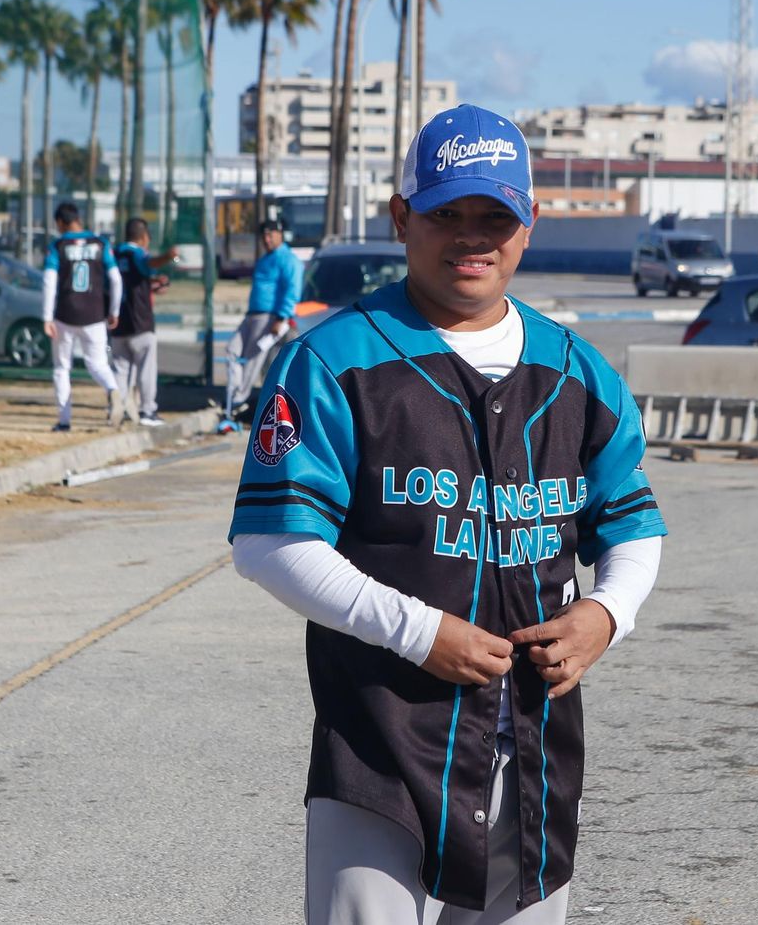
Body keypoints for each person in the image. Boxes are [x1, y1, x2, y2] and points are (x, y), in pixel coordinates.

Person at [229, 104, 667, 924]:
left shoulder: (575, 370)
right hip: (381, 746)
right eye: (446, 213)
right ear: (403, 217)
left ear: (528, 223)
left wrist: (607, 613)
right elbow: (268, 542)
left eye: (494, 215)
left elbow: (633, 524)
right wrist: (417, 630)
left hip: (533, 750)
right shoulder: (332, 358)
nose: (472, 237)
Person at [42, 202, 123, 431]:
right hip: (95, 314)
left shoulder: (58, 246)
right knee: (97, 363)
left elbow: (49, 281)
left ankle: (64, 420)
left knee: (61, 367)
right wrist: (114, 311)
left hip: (65, 314)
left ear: (60, 222)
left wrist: (47, 316)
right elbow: (116, 279)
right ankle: (113, 390)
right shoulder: (100, 244)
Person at [221, 216, 302, 427]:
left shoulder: (288, 259)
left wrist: (282, 316)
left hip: (269, 317)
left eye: (270, 234)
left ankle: (240, 399)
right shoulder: (266, 258)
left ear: (279, 234)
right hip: (252, 315)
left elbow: (291, 289)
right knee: (231, 350)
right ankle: (234, 397)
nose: (266, 239)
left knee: (254, 358)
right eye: (263, 235)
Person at [111, 218, 180, 427]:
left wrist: (151, 284)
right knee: (146, 369)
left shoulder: (115, 253)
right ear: (143, 237)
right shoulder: (137, 253)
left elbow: (127, 279)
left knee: (120, 369)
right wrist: (168, 257)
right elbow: (148, 263)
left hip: (118, 322)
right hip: (140, 322)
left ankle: (120, 409)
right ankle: (147, 411)